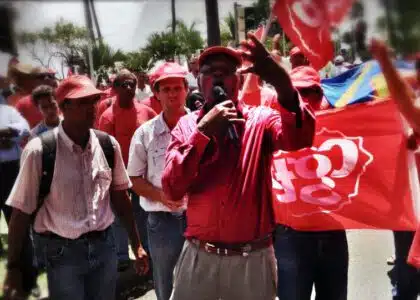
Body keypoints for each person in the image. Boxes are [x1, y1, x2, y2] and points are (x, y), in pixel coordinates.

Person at [161, 33, 315, 300]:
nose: (218, 78)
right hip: (200, 257)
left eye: (227, 72)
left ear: (240, 80)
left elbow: (299, 137)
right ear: (198, 81)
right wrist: (203, 134)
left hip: (251, 261)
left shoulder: (261, 119)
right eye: (209, 72)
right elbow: (172, 188)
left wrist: (281, 81)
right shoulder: (187, 127)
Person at [3, 75, 149, 300]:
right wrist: (13, 268)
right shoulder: (39, 151)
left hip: (104, 249)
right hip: (63, 255)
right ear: (64, 107)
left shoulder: (108, 146)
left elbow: (121, 199)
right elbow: (20, 214)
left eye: (93, 101)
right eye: (82, 102)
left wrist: (136, 245)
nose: (91, 108)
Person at [273, 66, 348, 300]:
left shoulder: (341, 125)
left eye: (311, 92)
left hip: (333, 233)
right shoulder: (274, 126)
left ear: (321, 94)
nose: (305, 100)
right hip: (291, 237)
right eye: (298, 93)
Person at [128, 62, 189, 300]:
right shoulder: (144, 134)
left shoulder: (201, 126)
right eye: (166, 89)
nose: (173, 94)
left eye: (177, 87)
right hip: (161, 222)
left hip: (199, 219)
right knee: (164, 280)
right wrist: (162, 195)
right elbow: (133, 178)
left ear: (186, 89)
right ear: (156, 94)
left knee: (200, 279)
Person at [370, 39, 420, 300]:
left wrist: (385, 63)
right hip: (407, 206)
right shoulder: (409, 88)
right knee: (406, 278)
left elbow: (410, 109)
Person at [99, 69, 156, 270]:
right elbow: (105, 150)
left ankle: (146, 250)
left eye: (132, 83)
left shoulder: (146, 111)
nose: (130, 87)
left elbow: (156, 136)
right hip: (117, 175)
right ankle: (122, 256)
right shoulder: (107, 116)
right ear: (115, 89)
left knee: (142, 213)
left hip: (142, 174)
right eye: (124, 84)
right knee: (118, 216)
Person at [0, 103, 33, 297]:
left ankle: (27, 277)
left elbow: (24, 129)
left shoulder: (7, 111)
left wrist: (6, 133)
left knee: (18, 223)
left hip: (10, 172)